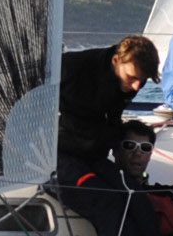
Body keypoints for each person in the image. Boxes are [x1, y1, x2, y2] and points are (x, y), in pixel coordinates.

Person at [57, 35, 159, 170]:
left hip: (96, 152)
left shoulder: (134, 80)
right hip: (61, 150)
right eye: (131, 78)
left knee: (121, 182)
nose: (136, 87)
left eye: (143, 80)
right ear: (115, 61)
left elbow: (114, 113)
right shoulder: (72, 67)